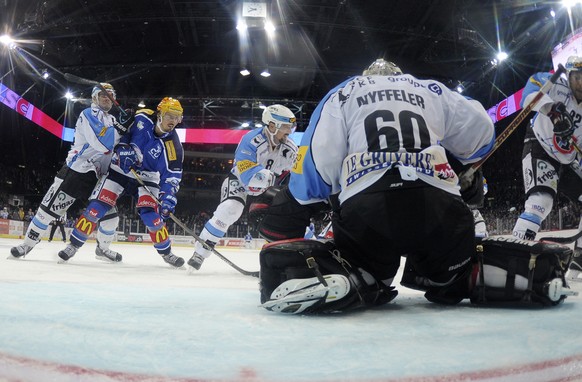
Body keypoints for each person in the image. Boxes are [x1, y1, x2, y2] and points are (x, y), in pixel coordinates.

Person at [256, 58, 568, 314]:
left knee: (368, 270)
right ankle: (503, 275)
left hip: (368, 211)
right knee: (451, 274)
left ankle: (355, 278)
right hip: (440, 208)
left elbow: (319, 166)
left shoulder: (343, 92)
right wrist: (465, 168)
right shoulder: (428, 88)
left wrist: (301, 205)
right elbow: (481, 132)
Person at [58, 97, 185, 267]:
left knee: (151, 217)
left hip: (147, 177)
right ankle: (73, 245)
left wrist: (168, 196)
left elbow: (171, 178)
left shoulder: (174, 147)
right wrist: (122, 149)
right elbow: (121, 134)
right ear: (160, 114)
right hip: (120, 170)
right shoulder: (142, 117)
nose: (174, 121)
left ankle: (167, 253)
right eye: (170, 115)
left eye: (178, 117)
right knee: (97, 208)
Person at [10, 82, 131, 260]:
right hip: (78, 171)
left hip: (99, 177)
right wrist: (121, 129)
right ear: (94, 98)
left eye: (110, 94)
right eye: (103, 94)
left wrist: (129, 125)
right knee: (47, 212)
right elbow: (102, 144)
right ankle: (27, 245)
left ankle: (102, 250)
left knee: (111, 217)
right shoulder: (88, 114)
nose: (107, 98)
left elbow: (119, 145)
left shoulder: (112, 120)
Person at [186, 104, 298, 270]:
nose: (289, 132)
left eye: (291, 127)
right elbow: (248, 177)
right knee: (230, 208)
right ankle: (200, 253)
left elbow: (296, 175)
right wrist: (268, 179)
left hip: (268, 187)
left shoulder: (290, 148)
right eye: (285, 127)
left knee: (283, 216)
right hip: (240, 181)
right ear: (272, 125)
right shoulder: (250, 140)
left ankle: (282, 259)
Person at [511, 56, 582, 282]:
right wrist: (552, 110)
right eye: (577, 77)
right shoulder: (556, 84)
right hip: (540, 145)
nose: (581, 83)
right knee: (541, 201)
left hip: (570, 159)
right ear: (569, 76)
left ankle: (579, 260)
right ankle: (514, 256)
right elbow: (528, 95)